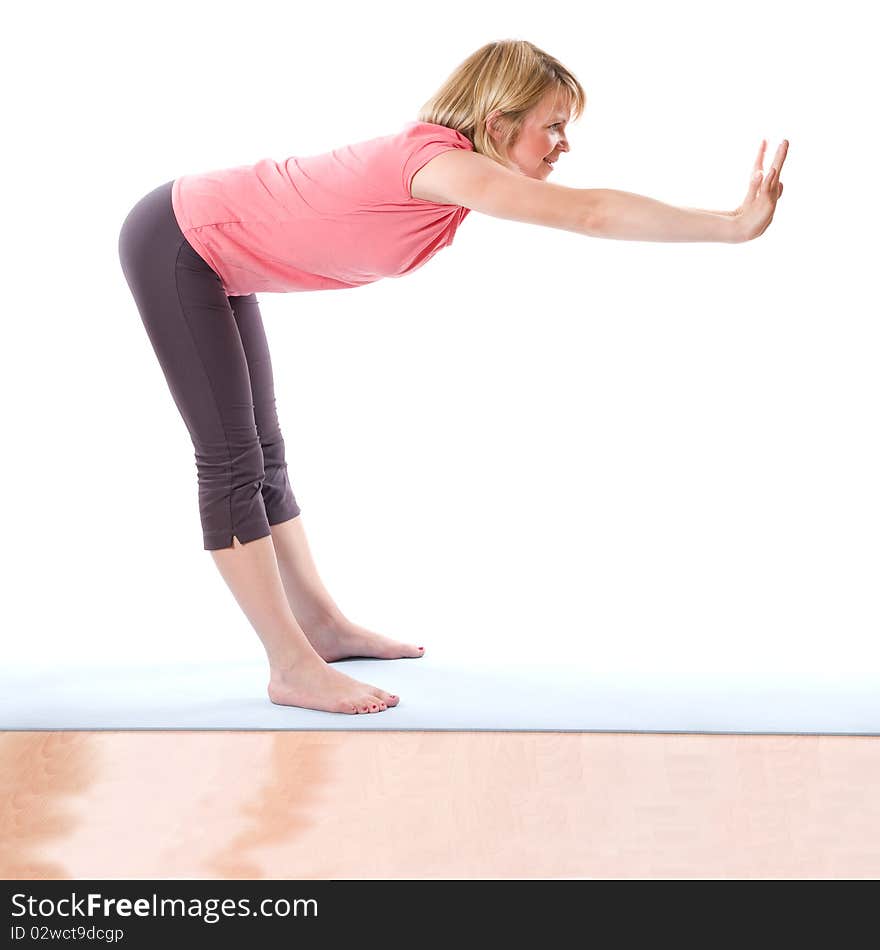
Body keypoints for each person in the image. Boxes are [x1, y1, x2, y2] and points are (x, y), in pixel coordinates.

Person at [117, 39, 788, 716]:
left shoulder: (449, 174)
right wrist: (731, 226)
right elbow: (589, 212)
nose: (563, 144)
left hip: (217, 255)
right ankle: (289, 666)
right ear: (496, 124)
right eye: (552, 125)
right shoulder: (441, 164)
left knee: (266, 452)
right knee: (231, 460)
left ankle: (320, 628)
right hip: (180, 243)